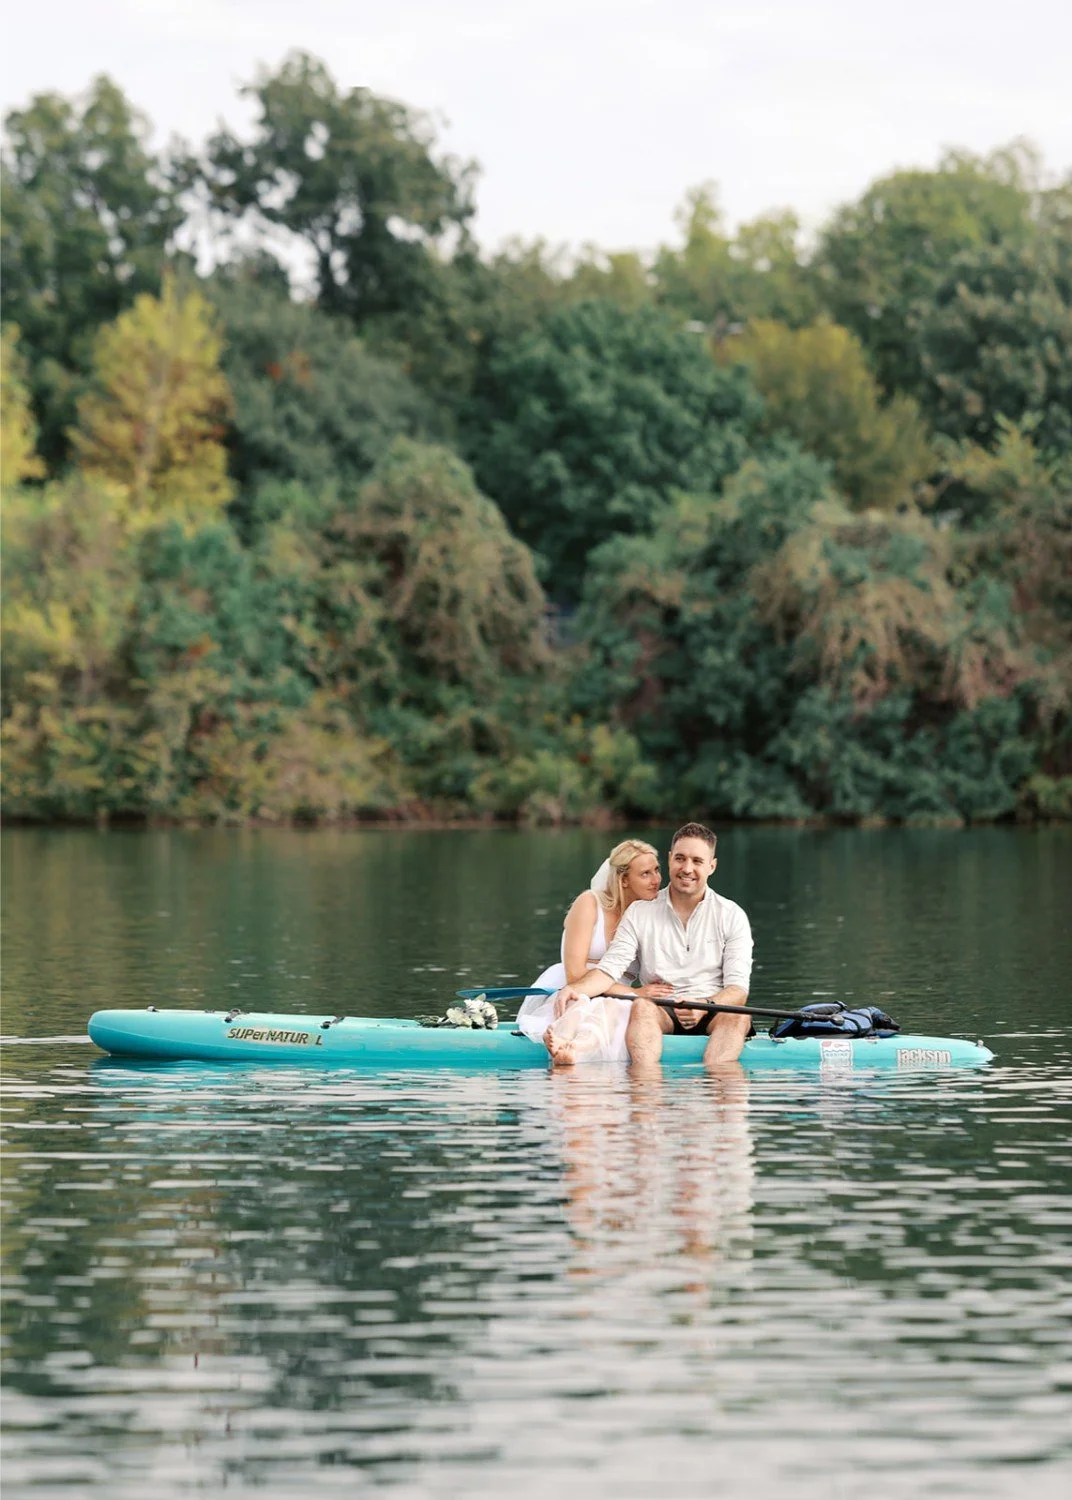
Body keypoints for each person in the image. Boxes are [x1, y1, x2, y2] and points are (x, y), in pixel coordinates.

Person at [552, 822, 753, 1069]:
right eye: (680, 858)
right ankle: (647, 1094)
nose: (687, 868)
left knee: (738, 1014)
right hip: (660, 1011)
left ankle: (715, 1083)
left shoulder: (732, 915)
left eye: (697, 861)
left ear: (711, 866)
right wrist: (576, 989)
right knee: (642, 1006)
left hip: (713, 1008)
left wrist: (705, 1005)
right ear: (669, 860)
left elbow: (738, 989)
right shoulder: (639, 912)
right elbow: (609, 969)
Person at [517, 839, 673, 1064]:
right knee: (584, 1001)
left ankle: (575, 1050)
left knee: (612, 1008)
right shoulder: (589, 903)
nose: (656, 880)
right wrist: (636, 993)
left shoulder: (649, 916)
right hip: (574, 986)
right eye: (645, 874)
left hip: (621, 997)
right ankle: (560, 1039)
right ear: (624, 880)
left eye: (657, 870)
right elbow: (574, 975)